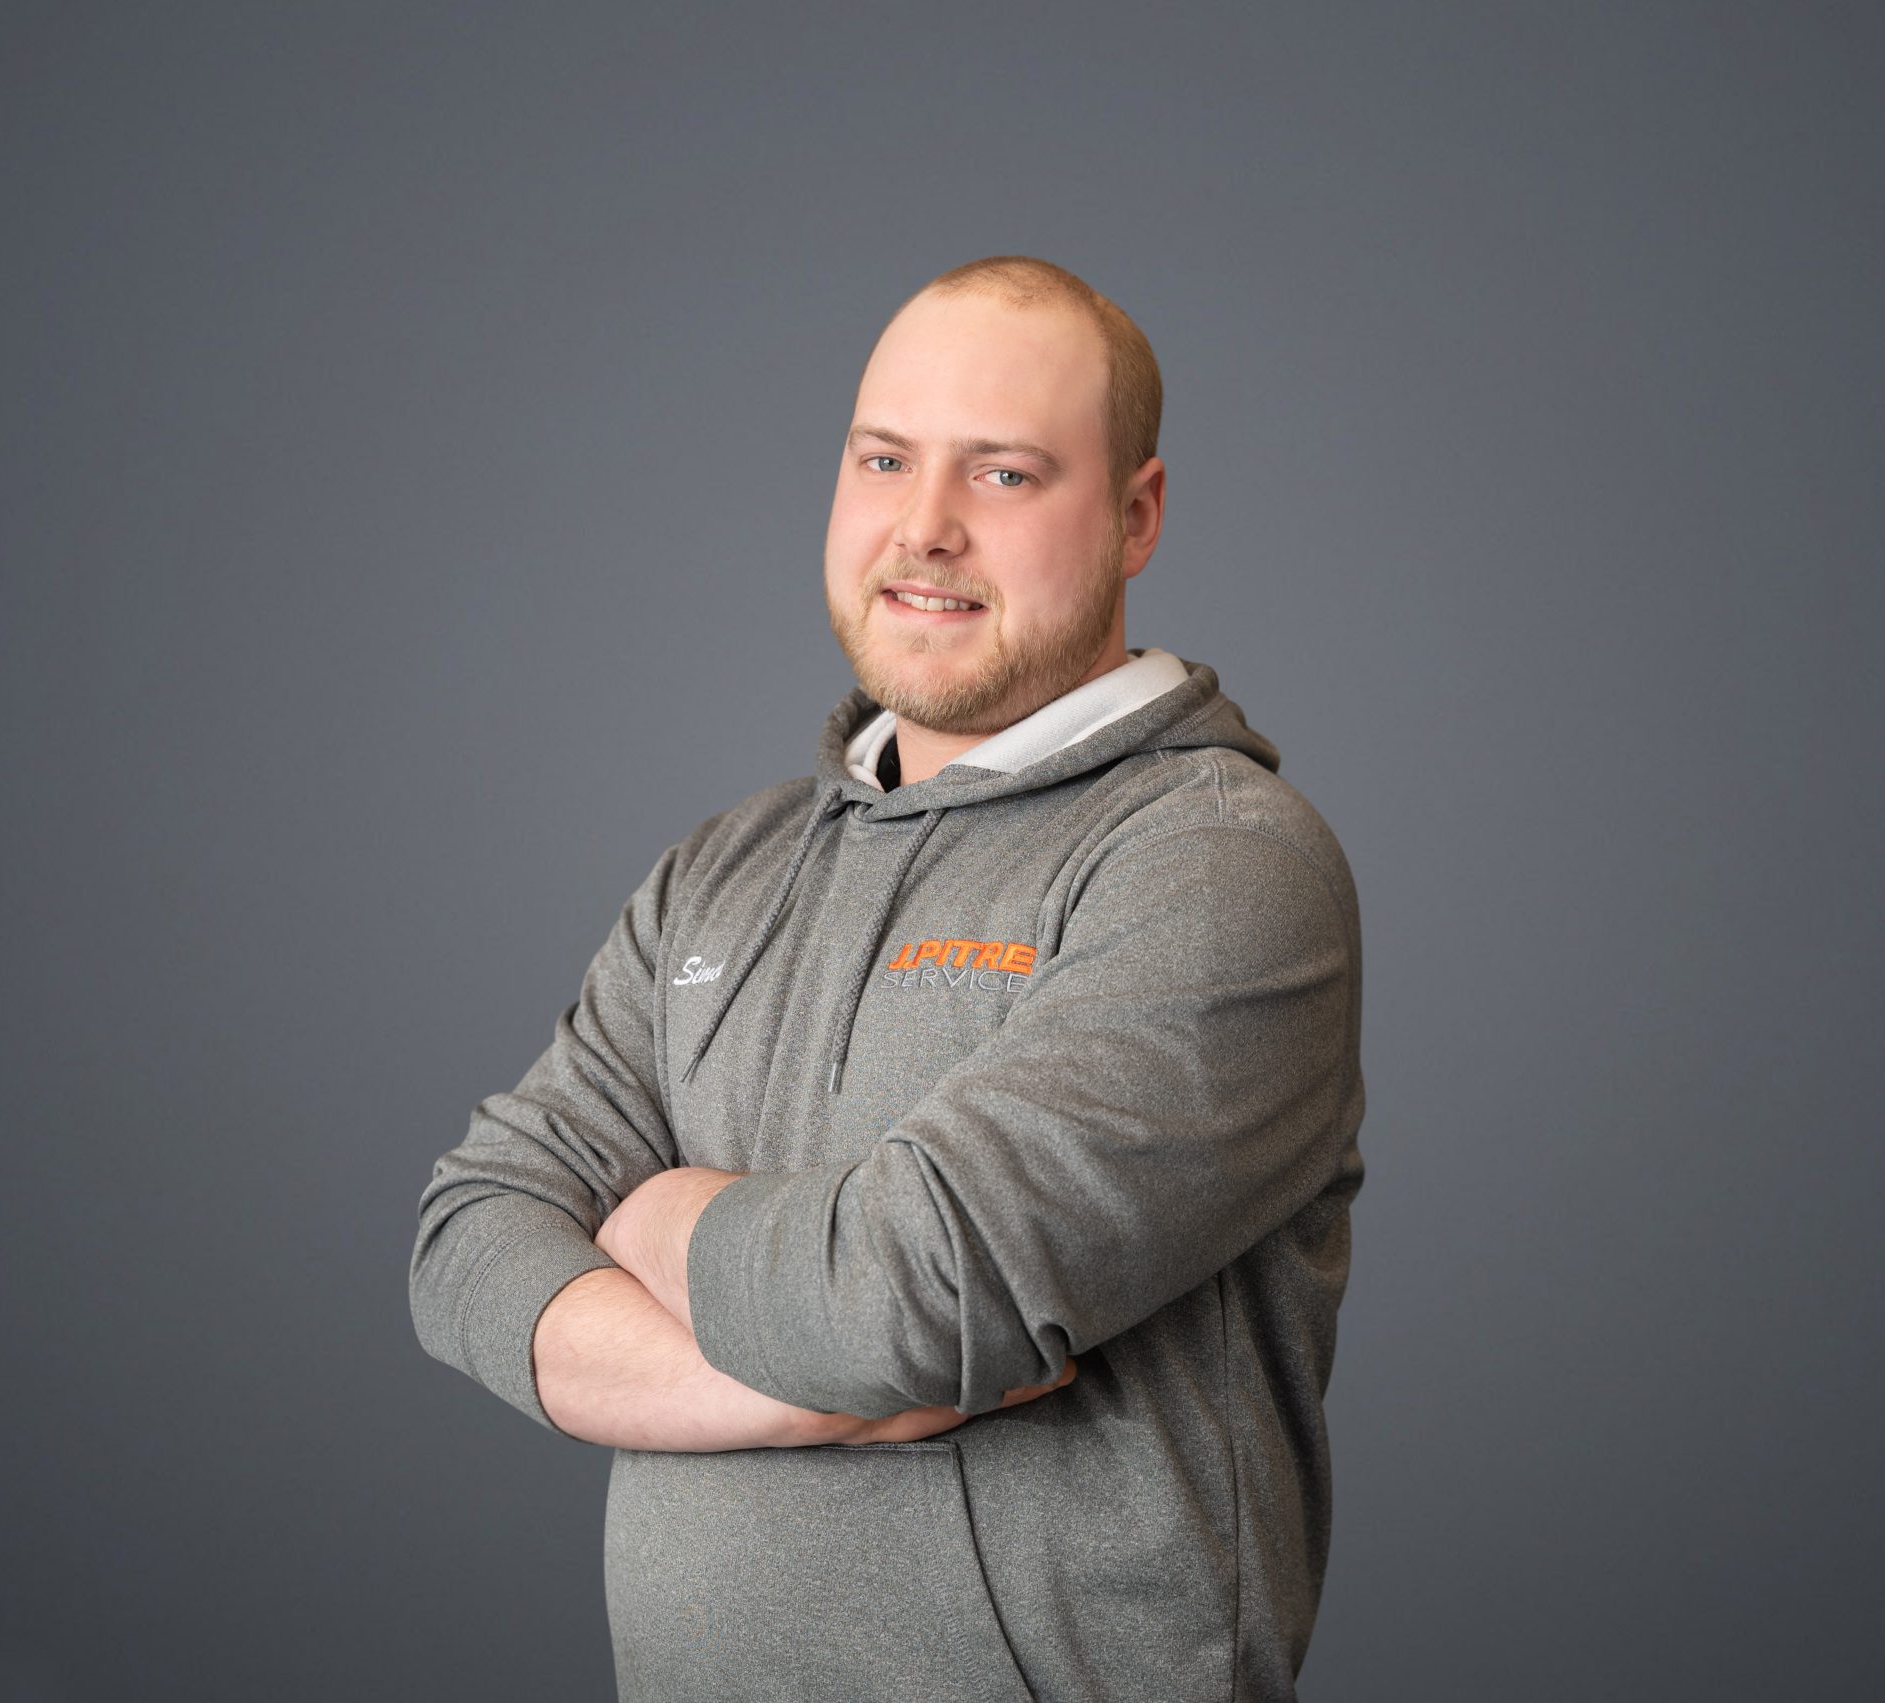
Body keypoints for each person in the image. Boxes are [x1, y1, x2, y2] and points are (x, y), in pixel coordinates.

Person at [409, 254, 1366, 1702]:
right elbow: (471, 1242)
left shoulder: (1220, 866)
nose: (924, 528)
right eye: (884, 460)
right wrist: (818, 1402)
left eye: (1004, 473)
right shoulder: (724, 872)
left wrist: (653, 1215)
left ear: (1136, 516)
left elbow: (912, 1302)